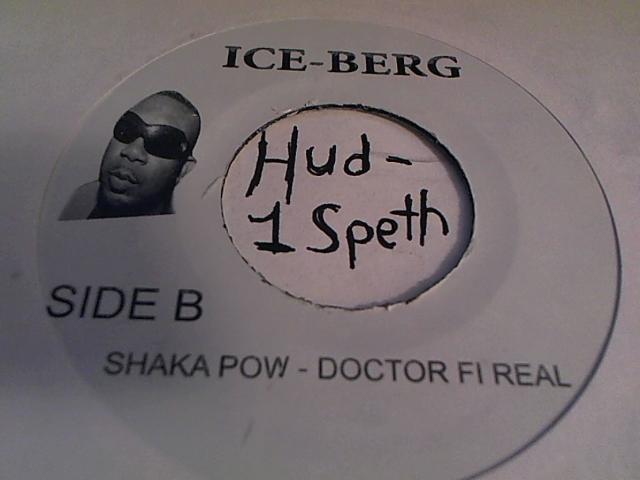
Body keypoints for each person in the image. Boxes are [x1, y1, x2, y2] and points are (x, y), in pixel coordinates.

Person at [59, 90, 201, 220]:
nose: (132, 152)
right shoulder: (79, 201)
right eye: (126, 130)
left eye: (162, 142)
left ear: (183, 170)